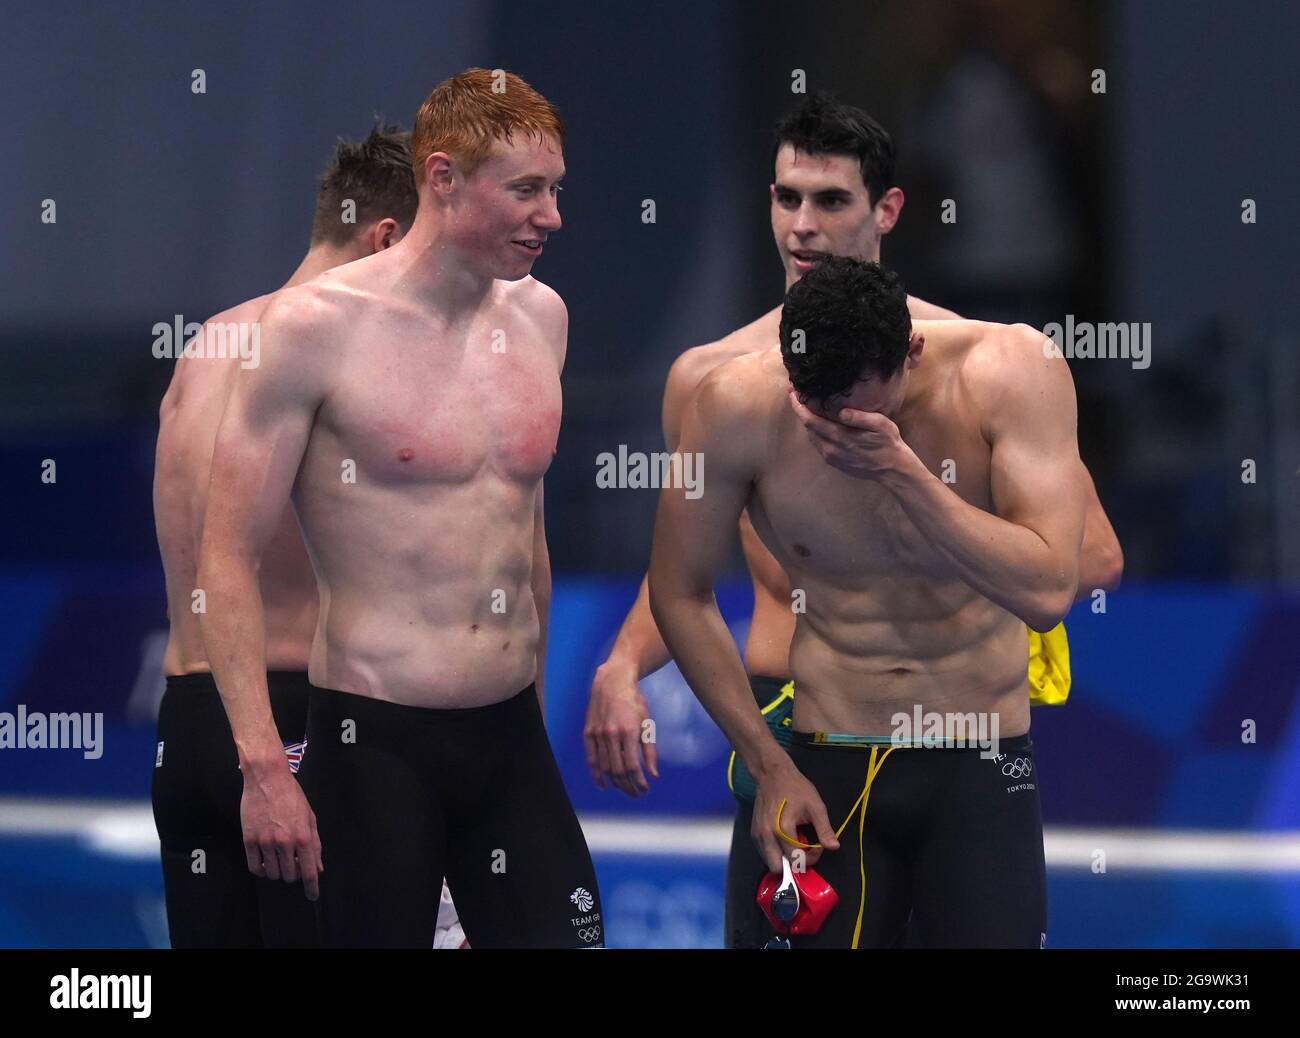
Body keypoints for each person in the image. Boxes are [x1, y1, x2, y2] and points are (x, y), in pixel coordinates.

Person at [582, 93, 1121, 947]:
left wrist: (912, 492)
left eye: (829, 200)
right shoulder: (721, 389)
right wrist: (624, 666)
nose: (802, 224)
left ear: (885, 211)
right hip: (805, 730)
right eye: (785, 198)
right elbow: (683, 575)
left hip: (976, 744)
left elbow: (1077, 565)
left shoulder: (997, 367)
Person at [196, 68, 602, 948]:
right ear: (444, 178)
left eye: (556, 190)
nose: (553, 217)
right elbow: (224, 557)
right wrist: (264, 767)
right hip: (373, 744)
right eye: (527, 190)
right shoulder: (313, 330)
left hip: (508, 743)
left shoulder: (545, 319)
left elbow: (522, 529)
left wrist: (531, 707)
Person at [650, 256, 1089, 947]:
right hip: (828, 763)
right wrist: (768, 764)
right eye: (813, 406)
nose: (832, 427)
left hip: (979, 763)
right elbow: (679, 591)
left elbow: (1049, 591)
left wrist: (905, 476)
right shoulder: (737, 405)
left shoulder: (1010, 372)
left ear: (910, 352)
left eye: (856, 408)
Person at [152, 121, 417, 947]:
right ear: (387, 238)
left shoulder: (208, 345)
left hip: (189, 724)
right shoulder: (333, 360)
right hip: (286, 727)